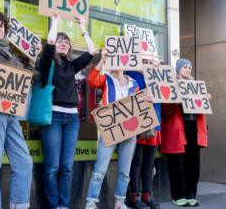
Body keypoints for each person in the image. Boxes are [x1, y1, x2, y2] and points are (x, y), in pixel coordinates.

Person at [0, 9, 39, 209]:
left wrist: (32, 60)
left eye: (1, 25)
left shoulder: (10, 54)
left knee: (24, 162)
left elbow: (25, 78)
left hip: (10, 112)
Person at [40, 14, 97, 209]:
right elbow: (48, 42)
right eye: (60, 41)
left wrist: (83, 28)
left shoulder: (71, 66)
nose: (63, 43)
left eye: (66, 42)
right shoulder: (48, 63)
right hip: (53, 117)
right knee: (52, 167)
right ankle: (53, 206)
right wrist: (55, 22)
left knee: (67, 167)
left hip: (72, 118)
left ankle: (64, 206)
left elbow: (91, 51)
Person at [84, 49, 154, 209]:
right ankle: (91, 202)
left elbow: (139, 107)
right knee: (100, 169)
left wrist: (147, 99)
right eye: (116, 60)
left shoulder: (134, 83)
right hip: (109, 130)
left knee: (124, 171)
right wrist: (102, 59)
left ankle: (119, 202)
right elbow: (91, 80)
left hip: (129, 132)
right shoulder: (106, 78)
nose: (120, 63)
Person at [161, 59, 209, 207]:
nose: (188, 70)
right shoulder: (170, 85)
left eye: (190, 67)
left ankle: (191, 195)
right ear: (178, 69)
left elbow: (202, 109)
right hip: (177, 129)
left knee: (193, 164)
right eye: (185, 67)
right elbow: (163, 109)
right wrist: (174, 101)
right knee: (177, 163)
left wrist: (205, 99)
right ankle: (178, 196)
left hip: (194, 127)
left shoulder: (196, 86)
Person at [125, 60, 162, 209]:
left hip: (155, 121)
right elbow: (126, 96)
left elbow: (167, 95)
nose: (146, 63)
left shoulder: (156, 75)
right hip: (138, 123)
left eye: (148, 60)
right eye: (143, 60)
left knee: (149, 161)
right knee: (137, 160)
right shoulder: (130, 73)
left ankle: (147, 194)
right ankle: (133, 195)